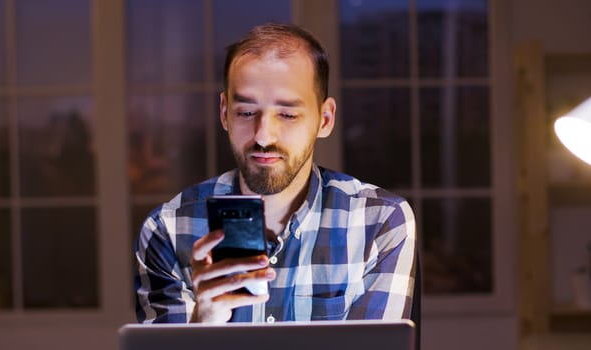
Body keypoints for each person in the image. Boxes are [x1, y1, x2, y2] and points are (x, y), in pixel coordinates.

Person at [134, 22, 417, 324]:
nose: (264, 136)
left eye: (287, 114)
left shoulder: (380, 222)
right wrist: (203, 325)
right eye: (245, 112)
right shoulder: (166, 229)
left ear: (325, 119)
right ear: (224, 113)